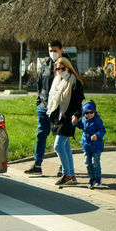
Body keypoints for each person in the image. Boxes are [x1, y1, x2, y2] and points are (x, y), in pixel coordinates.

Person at [25, 40, 74, 176]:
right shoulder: (45, 64)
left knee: (61, 138)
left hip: (60, 108)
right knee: (41, 134)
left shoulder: (67, 65)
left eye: (55, 50)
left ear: (61, 50)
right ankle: (37, 164)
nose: (52, 53)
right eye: (50, 50)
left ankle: (63, 167)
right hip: (44, 106)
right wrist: (39, 102)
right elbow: (39, 84)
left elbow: (72, 86)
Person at [47, 57, 85, 187]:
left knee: (58, 146)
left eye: (62, 68)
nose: (59, 71)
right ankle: (72, 175)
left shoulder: (75, 82)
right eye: (57, 68)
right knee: (66, 147)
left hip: (68, 119)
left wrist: (77, 115)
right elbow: (53, 99)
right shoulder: (57, 81)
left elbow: (81, 101)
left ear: (68, 68)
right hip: (58, 118)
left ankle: (67, 175)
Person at [73, 100, 106, 189]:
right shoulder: (84, 119)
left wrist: (97, 135)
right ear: (83, 113)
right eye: (86, 113)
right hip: (86, 145)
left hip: (96, 146)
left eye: (91, 112)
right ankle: (92, 178)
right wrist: (75, 122)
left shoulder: (97, 120)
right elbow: (80, 125)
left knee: (95, 162)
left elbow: (103, 130)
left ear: (94, 112)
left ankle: (98, 178)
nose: (89, 114)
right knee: (87, 162)